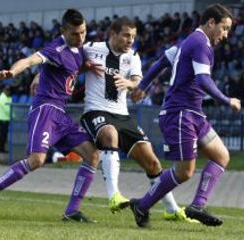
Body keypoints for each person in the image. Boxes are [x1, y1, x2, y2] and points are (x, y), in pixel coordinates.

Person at [130, 4, 241, 227]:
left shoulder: (188, 42)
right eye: (224, 28)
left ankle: (197, 205)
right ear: (211, 23)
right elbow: (202, 79)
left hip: (193, 114)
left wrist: (143, 85)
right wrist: (227, 100)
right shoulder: (200, 43)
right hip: (179, 114)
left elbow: (162, 60)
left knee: (221, 156)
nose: (226, 35)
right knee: (184, 172)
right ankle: (141, 206)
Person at [81, 17, 194, 222]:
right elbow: (67, 59)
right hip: (95, 111)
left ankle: (171, 209)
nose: (130, 40)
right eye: (125, 35)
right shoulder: (90, 48)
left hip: (122, 114)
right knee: (109, 134)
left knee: (152, 162)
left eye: (133, 36)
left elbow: (137, 80)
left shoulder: (132, 56)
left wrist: (131, 85)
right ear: (112, 34)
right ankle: (113, 195)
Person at [0, 9, 100, 223]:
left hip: (61, 115)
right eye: (75, 33)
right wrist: (12, 72)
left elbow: (69, 69)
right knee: (36, 160)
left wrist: (85, 67)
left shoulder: (79, 50)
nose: (80, 37)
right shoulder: (56, 48)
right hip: (45, 109)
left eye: (83, 32)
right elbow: (29, 60)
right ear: (63, 31)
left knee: (92, 155)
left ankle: (71, 212)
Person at [0, 85, 12, 153]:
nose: (8, 91)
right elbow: (7, 109)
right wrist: (13, 115)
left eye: (9, 90)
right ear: (4, 90)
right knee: (2, 135)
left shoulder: (7, 97)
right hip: (2, 119)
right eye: (7, 90)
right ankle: (1, 149)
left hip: (5, 119)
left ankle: (2, 148)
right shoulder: (2, 98)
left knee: (4, 135)